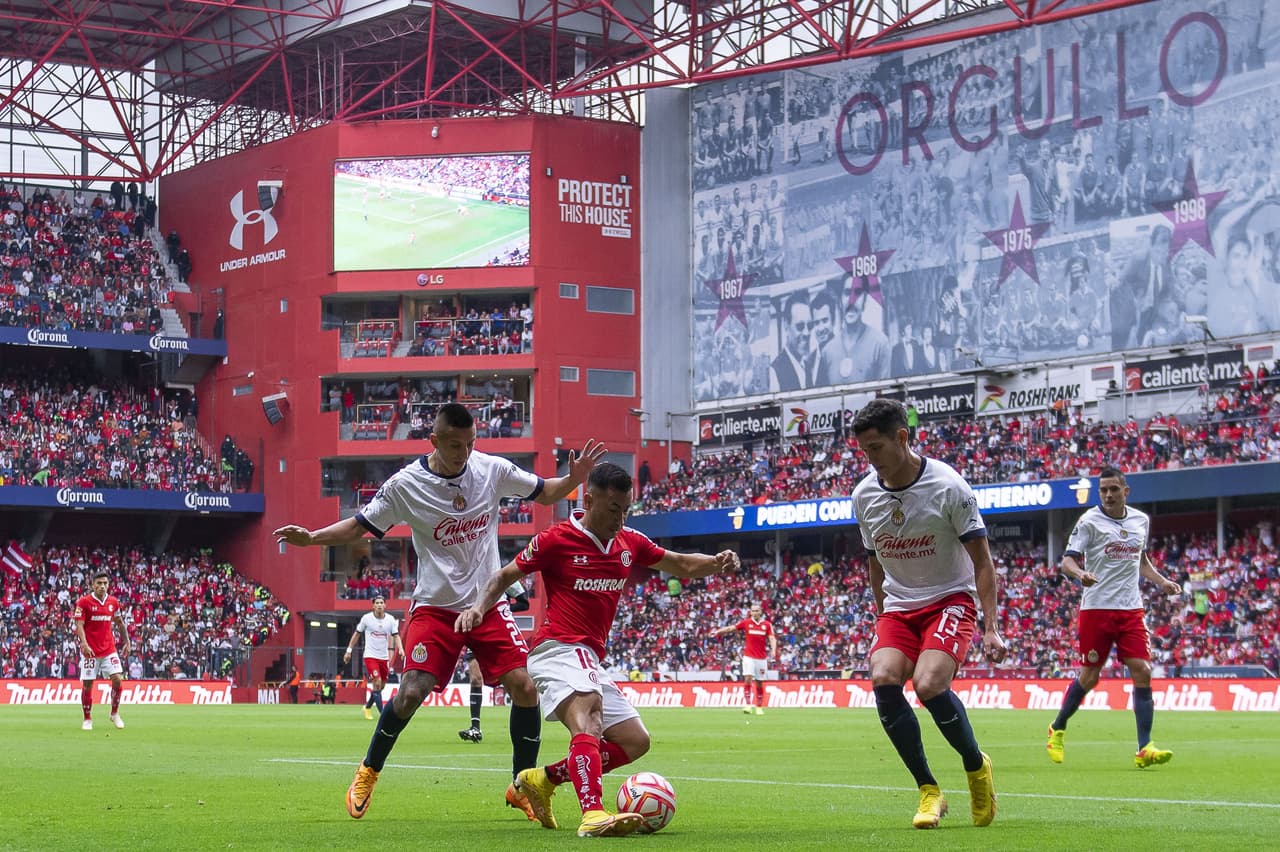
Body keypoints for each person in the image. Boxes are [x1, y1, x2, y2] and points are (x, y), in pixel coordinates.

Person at [274, 402, 605, 821]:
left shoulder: (490, 469)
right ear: (433, 441)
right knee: (411, 691)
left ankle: (524, 785)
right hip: (435, 605)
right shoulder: (405, 486)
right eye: (454, 446)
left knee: (524, 687)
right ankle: (368, 771)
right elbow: (359, 525)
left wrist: (573, 480)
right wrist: (312, 538)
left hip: (487, 601)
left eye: (469, 444)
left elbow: (547, 491)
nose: (463, 454)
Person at [456, 462, 739, 837]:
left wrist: (716, 563)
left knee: (635, 741)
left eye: (625, 510)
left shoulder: (629, 542)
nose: (620, 519)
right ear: (589, 499)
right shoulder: (555, 539)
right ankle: (592, 814)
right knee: (588, 714)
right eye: (612, 510)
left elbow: (681, 564)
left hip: (588, 657)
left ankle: (543, 779)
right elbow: (504, 576)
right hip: (555, 649)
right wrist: (479, 607)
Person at [850, 399, 1005, 830]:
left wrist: (991, 628)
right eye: (863, 451)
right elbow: (874, 560)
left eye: (876, 447)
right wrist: (882, 617)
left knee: (929, 684)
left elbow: (983, 561)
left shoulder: (949, 487)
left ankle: (976, 769)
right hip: (900, 607)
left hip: (950, 599)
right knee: (883, 677)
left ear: (902, 437)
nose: (870, 458)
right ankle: (928, 790)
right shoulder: (864, 495)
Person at [1046, 466, 1182, 769]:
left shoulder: (1140, 521)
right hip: (1096, 609)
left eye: (1113, 489)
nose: (1108, 494)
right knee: (1090, 676)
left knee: (1143, 670)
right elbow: (1067, 560)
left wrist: (1161, 582)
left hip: (1131, 609)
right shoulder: (1089, 521)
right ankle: (1057, 727)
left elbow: (1141, 560)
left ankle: (1144, 747)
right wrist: (1080, 573)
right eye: (1103, 490)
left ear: (1126, 491)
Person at [460, 581, 530, 743]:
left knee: (517, 682)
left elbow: (523, 601)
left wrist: (500, 609)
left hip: (496, 628)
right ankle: (475, 727)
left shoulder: (501, 575)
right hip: (474, 629)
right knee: (475, 678)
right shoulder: (468, 573)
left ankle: (523, 732)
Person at [73, 571, 131, 731]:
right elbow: (79, 625)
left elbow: (119, 623)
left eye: (105, 583)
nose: (102, 586)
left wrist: (127, 641)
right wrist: (84, 643)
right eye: (99, 583)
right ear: (93, 585)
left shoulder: (113, 602)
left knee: (118, 679)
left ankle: (114, 713)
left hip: (109, 649)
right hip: (90, 651)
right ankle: (87, 718)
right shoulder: (84, 602)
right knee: (88, 684)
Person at [710, 602, 777, 715]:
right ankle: (747, 705)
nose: (754, 613)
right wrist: (718, 632)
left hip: (761, 658)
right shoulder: (746, 623)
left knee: (759, 682)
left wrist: (773, 650)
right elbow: (731, 628)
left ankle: (759, 707)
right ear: (750, 612)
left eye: (757, 610)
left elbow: (772, 638)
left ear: (760, 612)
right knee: (748, 678)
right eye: (753, 611)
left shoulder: (767, 624)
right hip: (748, 656)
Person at [344, 596, 404, 721]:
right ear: (373, 606)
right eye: (377, 603)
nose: (379, 605)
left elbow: (396, 636)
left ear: (385, 605)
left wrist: (401, 649)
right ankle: (383, 715)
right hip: (370, 655)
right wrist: (348, 651)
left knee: (381, 686)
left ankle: (367, 707)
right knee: (376, 683)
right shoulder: (366, 619)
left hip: (383, 657)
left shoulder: (390, 620)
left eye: (382, 603)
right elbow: (356, 634)